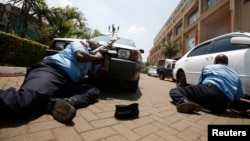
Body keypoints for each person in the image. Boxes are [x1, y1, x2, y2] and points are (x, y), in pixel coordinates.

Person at [0, 39, 109, 123]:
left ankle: (65, 102)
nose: (99, 44)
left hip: (67, 82)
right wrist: (96, 57)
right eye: (97, 43)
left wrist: (107, 54)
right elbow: (80, 56)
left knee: (93, 90)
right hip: (52, 71)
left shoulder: (92, 61)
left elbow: (104, 70)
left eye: (100, 45)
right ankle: (45, 102)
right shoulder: (81, 43)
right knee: (20, 103)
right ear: (90, 42)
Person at [169, 54, 244, 114]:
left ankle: (184, 101)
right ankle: (204, 106)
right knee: (205, 99)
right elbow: (237, 98)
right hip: (222, 106)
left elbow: (199, 84)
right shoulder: (236, 75)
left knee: (175, 91)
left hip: (209, 91)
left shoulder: (209, 67)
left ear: (215, 62)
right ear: (227, 63)